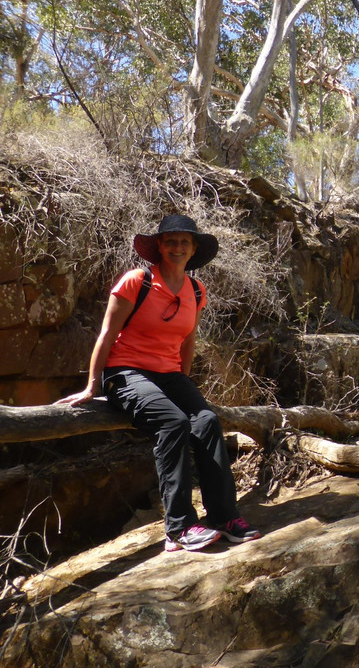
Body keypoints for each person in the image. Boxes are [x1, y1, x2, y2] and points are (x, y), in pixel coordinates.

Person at [57, 215, 261, 552]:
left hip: (169, 375)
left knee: (207, 421)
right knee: (173, 421)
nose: (177, 247)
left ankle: (224, 518)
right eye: (171, 241)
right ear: (160, 247)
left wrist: (185, 381)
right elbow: (107, 335)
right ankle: (179, 528)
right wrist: (92, 386)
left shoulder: (196, 290)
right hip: (125, 372)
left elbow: (188, 340)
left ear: (193, 249)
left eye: (184, 242)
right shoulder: (137, 281)